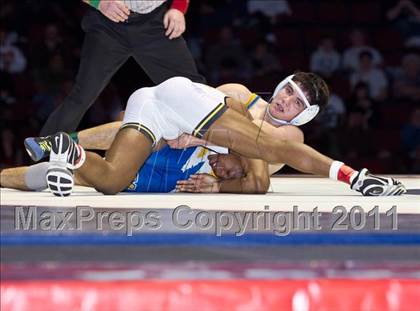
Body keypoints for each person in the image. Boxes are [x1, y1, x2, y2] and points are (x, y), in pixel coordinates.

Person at [25, 74, 406, 197]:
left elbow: (256, 178)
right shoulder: (242, 97)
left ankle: (67, 151)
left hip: (156, 110)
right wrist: (201, 138)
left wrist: (202, 145)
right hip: (179, 108)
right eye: (288, 90)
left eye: (296, 102)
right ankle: (357, 177)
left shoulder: (290, 137)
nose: (286, 100)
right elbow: (256, 183)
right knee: (255, 138)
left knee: (109, 181)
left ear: (304, 116)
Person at [40, 0, 205, 136]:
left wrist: (178, 8)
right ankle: (45, 149)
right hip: (108, 25)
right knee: (83, 93)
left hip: (154, 23)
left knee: (192, 86)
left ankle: (212, 142)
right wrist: (99, 3)